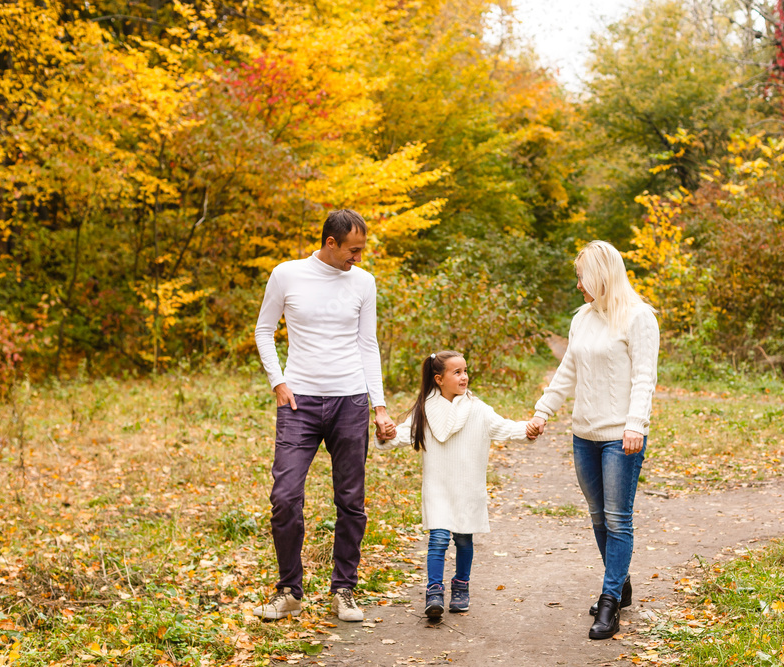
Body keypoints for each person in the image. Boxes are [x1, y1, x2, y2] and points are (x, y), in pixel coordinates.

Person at [252, 209, 397, 623]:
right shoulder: (287, 274)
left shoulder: (363, 282)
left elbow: (367, 344)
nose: (358, 257)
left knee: (350, 500)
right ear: (330, 243)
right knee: (284, 498)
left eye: (362, 250)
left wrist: (379, 405)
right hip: (299, 403)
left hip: (349, 401)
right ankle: (289, 590)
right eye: (353, 250)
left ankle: (344, 589)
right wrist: (278, 381)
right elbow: (264, 330)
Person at [526, 240, 659, 640]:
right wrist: (542, 409)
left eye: (581, 277)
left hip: (622, 436)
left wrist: (635, 423)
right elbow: (568, 369)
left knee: (618, 519)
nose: (579, 285)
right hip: (583, 434)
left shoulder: (639, 318)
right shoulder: (582, 317)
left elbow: (644, 378)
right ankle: (620, 583)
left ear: (600, 275)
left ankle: (609, 602)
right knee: (598, 517)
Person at [378, 351, 534, 619]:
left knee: (463, 538)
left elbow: (505, 427)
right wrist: (386, 434)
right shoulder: (425, 411)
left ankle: (461, 584)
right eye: (457, 372)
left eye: (465, 371)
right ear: (439, 379)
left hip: (467, 486)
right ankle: (434, 592)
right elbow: (400, 436)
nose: (464, 377)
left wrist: (528, 428)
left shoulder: (479, 410)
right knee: (438, 539)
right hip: (438, 485)